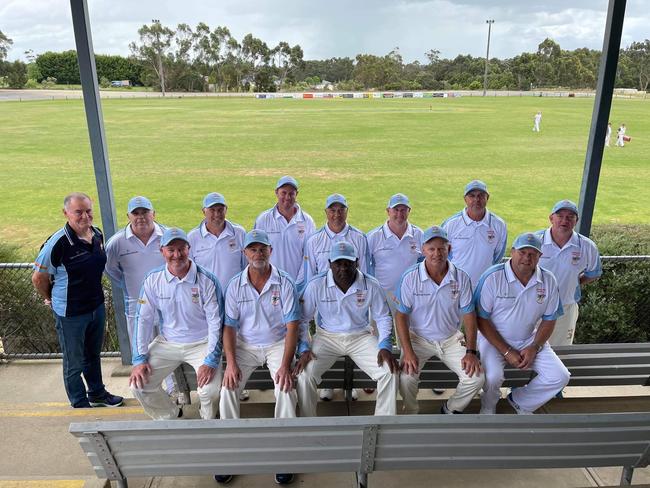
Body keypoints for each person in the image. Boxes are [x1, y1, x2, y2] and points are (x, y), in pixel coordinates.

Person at [218, 229, 299, 486]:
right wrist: (231, 363)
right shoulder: (234, 285)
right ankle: (230, 451)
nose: (258, 253)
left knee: (286, 389)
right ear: (245, 253)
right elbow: (229, 327)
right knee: (228, 388)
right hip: (245, 347)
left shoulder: (284, 282)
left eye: (262, 249)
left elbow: (292, 327)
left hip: (277, 345)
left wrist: (286, 365)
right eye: (252, 249)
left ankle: (284, 454)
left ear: (270, 251)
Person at [32, 192, 123, 408]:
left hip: (96, 306)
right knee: (73, 362)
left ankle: (97, 394)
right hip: (71, 313)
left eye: (88, 211)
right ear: (66, 213)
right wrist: (50, 299)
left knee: (92, 355)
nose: (85, 216)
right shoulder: (58, 243)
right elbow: (38, 278)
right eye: (78, 212)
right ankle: (79, 401)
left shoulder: (97, 234)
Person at [129, 228, 223, 421]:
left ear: (189, 249)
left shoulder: (207, 280)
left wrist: (211, 360)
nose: (177, 255)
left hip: (202, 343)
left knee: (210, 392)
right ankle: (170, 415)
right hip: (168, 343)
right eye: (171, 249)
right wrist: (139, 358)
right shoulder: (152, 280)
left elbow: (216, 323)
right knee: (138, 386)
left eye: (182, 249)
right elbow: (143, 320)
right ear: (162, 250)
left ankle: (208, 421)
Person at [296, 241, 399, 417]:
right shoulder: (316, 285)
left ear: (357, 262)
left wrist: (385, 346)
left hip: (360, 336)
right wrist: (304, 347)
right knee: (304, 375)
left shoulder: (370, 284)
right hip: (327, 337)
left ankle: (383, 421)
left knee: (389, 372)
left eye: (348, 263)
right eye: (338, 263)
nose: (342, 268)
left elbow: (383, 317)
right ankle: (307, 422)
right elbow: (303, 319)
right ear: (329, 263)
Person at [475, 232, 570, 415]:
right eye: (522, 252)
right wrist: (506, 350)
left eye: (532, 253)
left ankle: (520, 401)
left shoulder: (548, 280)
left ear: (540, 256)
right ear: (512, 252)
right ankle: (488, 405)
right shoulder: (492, 277)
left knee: (559, 376)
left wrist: (534, 346)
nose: (527, 257)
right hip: (492, 339)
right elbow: (481, 319)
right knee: (493, 376)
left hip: (528, 338)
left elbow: (550, 319)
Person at [395, 226, 484, 414]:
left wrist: (471, 351)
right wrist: (408, 351)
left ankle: (451, 409)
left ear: (449, 249)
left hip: (451, 339)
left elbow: (469, 315)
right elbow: (401, 316)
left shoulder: (461, 277)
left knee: (476, 378)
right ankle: (411, 412)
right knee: (406, 378)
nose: (437, 253)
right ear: (423, 250)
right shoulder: (410, 277)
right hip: (418, 339)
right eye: (431, 249)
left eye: (442, 248)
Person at [303, 193, 370, 401]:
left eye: (341, 209)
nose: (337, 214)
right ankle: (327, 385)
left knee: (353, 337)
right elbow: (309, 272)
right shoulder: (314, 239)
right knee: (325, 343)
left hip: (354, 297)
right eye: (332, 210)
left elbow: (365, 272)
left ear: (346, 211)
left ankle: (351, 385)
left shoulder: (359, 237)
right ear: (326, 212)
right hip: (324, 299)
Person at [187, 192, 250, 401]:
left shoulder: (239, 233)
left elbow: (246, 268)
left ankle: (238, 383)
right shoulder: (192, 238)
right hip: (206, 302)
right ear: (203, 211)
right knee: (212, 340)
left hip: (235, 300)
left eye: (220, 209)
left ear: (226, 210)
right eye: (212, 210)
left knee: (238, 342)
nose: (216, 214)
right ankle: (217, 380)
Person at [536, 200, 602, 346]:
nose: (564, 220)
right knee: (529, 349)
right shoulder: (535, 241)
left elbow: (594, 273)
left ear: (576, 221)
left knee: (561, 352)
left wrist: (575, 283)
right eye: (560, 216)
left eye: (570, 217)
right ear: (551, 218)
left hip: (565, 308)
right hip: (534, 305)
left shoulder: (587, 246)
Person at [105, 196, 165, 343]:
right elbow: (110, 270)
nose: (141, 217)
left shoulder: (168, 236)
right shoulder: (116, 243)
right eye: (136, 213)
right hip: (136, 306)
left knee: (171, 355)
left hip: (168, 305)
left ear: (153, 214)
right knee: (141, 354)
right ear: (128, 216)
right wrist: (130, 284)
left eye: (145, 212)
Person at [441, 180, 507, 288]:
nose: (477, 200)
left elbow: (497, 256)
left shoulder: (499, 225)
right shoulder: (450, 224)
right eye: (472, 196)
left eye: (481, 195)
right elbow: (443, 255)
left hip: (486, 286)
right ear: (465, 199)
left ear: (487, 198)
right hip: (456, 286)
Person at [367, 193, 423, 314]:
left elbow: (425, 262)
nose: (399, 214)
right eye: (396, 210)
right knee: (380, 330)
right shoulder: (373, 236)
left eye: (403, 210)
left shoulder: (419, 234)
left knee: (408, 330)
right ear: (388, 211)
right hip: (382, 294)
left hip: (410, 293)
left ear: (409, 211)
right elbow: (365, 265)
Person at [254, 176, 315, 284]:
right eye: (284, 193)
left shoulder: (307, 221)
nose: (287, 197)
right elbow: (255, 253)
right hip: (270, 284)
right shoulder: (263, 220)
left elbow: (310, 256)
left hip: (298, 285)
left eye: (291, 193)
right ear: (276, 192)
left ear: (297, 194)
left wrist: (299, 284)